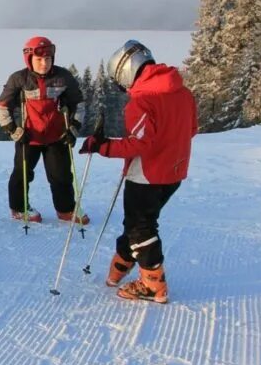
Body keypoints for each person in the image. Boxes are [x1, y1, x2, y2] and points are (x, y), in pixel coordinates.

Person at [79, 40, 197, 304]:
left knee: (141, 228)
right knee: (137, 223)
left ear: (126, 71)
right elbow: (191, 130)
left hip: (146, 175)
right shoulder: (183, 93)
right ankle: (122, 264)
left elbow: (141, 143)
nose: (125, 89)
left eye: (121, 83)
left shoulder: (142, 101)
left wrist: (102, 146)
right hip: (174, 173)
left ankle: (153, 284)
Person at [0, 36, 88, 224]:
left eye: (48, 59)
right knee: (22, 174)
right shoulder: (19, 78)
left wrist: (73, 129)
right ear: (29, 59)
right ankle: (19, 208)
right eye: (39, 60)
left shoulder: (63, 77)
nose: (44, 64)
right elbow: (2, 106)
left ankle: (66, 210)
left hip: (56, 136)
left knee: (61, 176)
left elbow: (78, 105)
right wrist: (14, 131)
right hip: (28, 136)